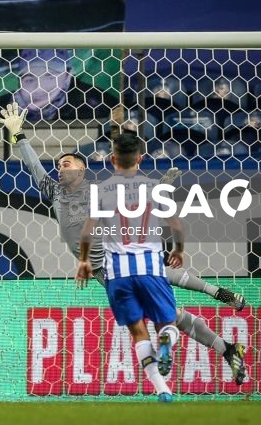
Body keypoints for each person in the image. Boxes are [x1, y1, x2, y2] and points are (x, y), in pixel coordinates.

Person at [0, 103, 247, 384]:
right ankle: (226, 348)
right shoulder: (54, 193)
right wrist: (18, 135)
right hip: (104, 273)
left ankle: (219, 294)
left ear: (81, 168)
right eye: (58, 165)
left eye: (66, 163)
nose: (59, 168)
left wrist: (161, 184)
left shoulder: (97, 191)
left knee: (162, 285)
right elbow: (33, 166)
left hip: (119, 258)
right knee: (172, 316)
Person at [78, 133, 183, 402]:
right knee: (168, 324)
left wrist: (84, 260)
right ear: (141, 158)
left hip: (118, 274)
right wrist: (178, 250)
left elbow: (87, 232)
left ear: (112, 159)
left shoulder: (101, 190)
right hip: (151, 269)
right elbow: (177, 227)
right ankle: (167, 343)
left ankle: (163, 390)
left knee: (138, 332)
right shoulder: (155, 188)